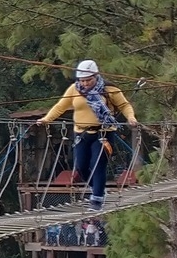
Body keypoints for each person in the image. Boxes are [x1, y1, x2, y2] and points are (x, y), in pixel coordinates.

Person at [36, 59, 138, 210]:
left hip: (103, 133)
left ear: (96, 76)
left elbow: (124, 105)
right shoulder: (74, 89)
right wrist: (46, 119)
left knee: (97, 164)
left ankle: (97, 199)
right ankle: (98, 187)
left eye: (88, 80)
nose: (84, 83)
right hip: (81, 133)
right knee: (81, 167)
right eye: (82, 80)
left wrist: (131, 117)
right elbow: (60, 107)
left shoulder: (109, 90)